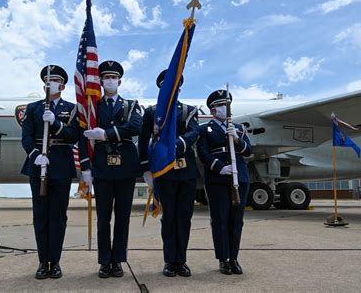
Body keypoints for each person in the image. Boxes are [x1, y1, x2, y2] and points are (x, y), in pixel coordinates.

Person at [79, 60, 142, 278]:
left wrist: (106, 134)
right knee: (103, 217)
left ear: (120, 81)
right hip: (102, 166)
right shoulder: (92, 108)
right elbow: (83, 137)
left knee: (123, 216)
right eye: (106, 77)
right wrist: (85, 167)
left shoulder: (131, 105)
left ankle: (118, 260)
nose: (109, 81)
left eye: (113, 78)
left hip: (125, 166)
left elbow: (136, 126)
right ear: (100, 81)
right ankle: (104, 261)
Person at [138, 70, 200, 277]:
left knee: (184, 218)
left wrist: (177, 144)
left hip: (186, 172)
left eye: (174, 86)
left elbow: (193, 132)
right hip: (165, 174)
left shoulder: (189, 111)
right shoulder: (152, 112)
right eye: (166, 86)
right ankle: (169, 261)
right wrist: (146, 168)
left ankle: (181, 260)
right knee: (169, 218)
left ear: (180, 88)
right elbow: (144, 139)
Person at [21, 65, 79, 280]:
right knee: (40, 216)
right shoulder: (33, 108)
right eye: (47, 80)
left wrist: (56, 123)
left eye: (54, 80)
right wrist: (35, 154)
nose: (49, 83)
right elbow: (26, 136)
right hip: (38, 165)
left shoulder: (71, 109)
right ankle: (42, 261)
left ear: (62, 85)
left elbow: (74, 136)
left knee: (58, 217)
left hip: (61, 166)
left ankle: (54, 262)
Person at [196, 90, 252, 275]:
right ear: (212, 110)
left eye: (226, 105)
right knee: (220, 219)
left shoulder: (240, 128)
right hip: (218, 179)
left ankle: (234, 257)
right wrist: (219, 167)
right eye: (220, 106)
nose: (224, 108)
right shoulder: (205, 129)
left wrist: (236, 139)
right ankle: (223, 259)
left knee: (237, 220)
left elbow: (248, 151)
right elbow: (203, 153)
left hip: (239, 178)